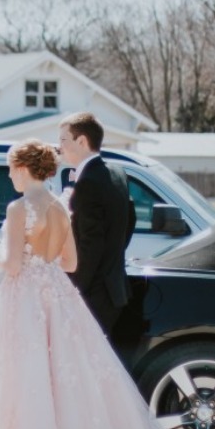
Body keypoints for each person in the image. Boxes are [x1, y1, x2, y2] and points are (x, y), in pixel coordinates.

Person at [0, 139, 179, 429]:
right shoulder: (61, 206)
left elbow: (11, 265)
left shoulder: (19, 208)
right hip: (57, 294)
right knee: (66, 380)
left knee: (20, 379)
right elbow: (71, 262)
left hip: (23, 297)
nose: (9, 175)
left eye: (11, 168)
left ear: (24, 169)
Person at [56, 112, 136, 336]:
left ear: (81, 141)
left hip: (93, 293)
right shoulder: (117, 173)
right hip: (114, 288)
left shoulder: (89, 183)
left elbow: (91, 245)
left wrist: (74, 289)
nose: (59, 147)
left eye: (63, 140)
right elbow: (129, 221)